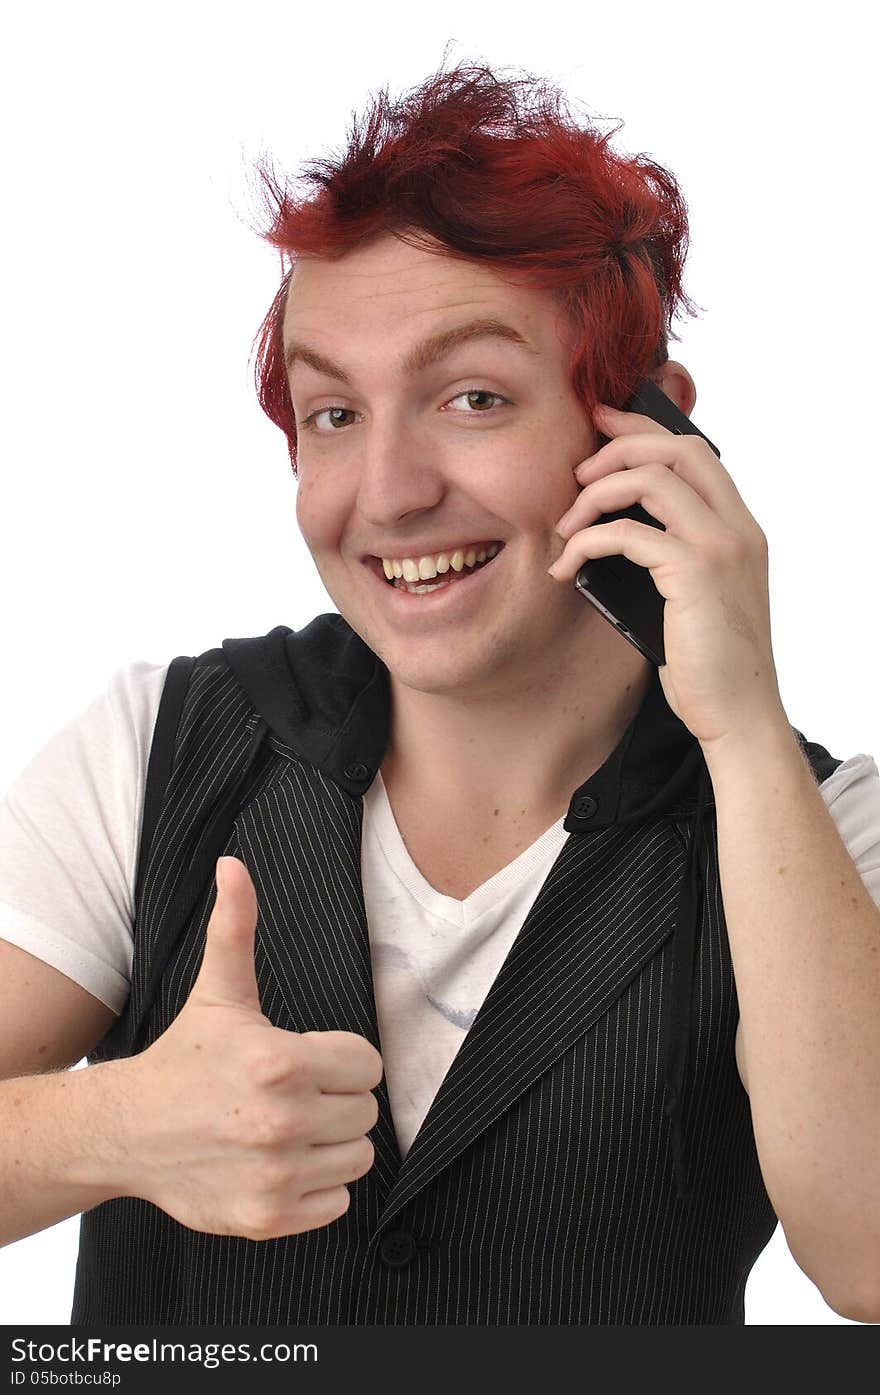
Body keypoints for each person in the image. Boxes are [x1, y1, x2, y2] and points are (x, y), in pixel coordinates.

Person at [1, 57, 879, 1327]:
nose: (389, 493)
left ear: (649, 434)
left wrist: (739, 726)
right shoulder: (156, 748)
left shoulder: (823, 831)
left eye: (472, 397)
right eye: (334, 414)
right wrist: (112, 1124)